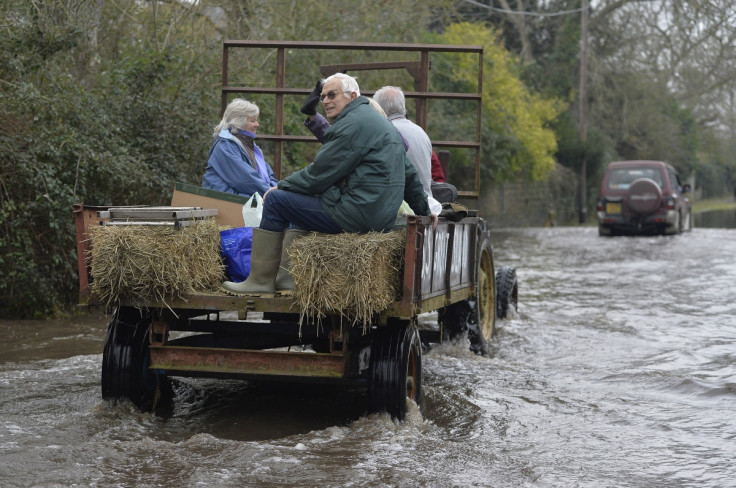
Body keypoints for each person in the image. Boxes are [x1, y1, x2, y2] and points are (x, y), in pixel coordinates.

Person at [222, 73, 436, 296]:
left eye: (332, 95)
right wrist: (424, 211)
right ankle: (286, 281)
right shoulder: (379, 122)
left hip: (358, 214)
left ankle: (259, 282)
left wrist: (282, 186)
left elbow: (319, 174)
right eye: (323, 96)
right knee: (298, 202)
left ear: (353, 96)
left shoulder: (353, 124)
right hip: (379, 216)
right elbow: (409, 173)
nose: (325, 101)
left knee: (277, 201)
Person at [202, 98, 278, 197]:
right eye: (253, 121)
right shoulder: (225, 146)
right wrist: (273, 193)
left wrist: (275, 190)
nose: (257, 125)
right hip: (225, 202)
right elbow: (245, 179)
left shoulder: (251, 147)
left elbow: (269, 176)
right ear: (239, 122)